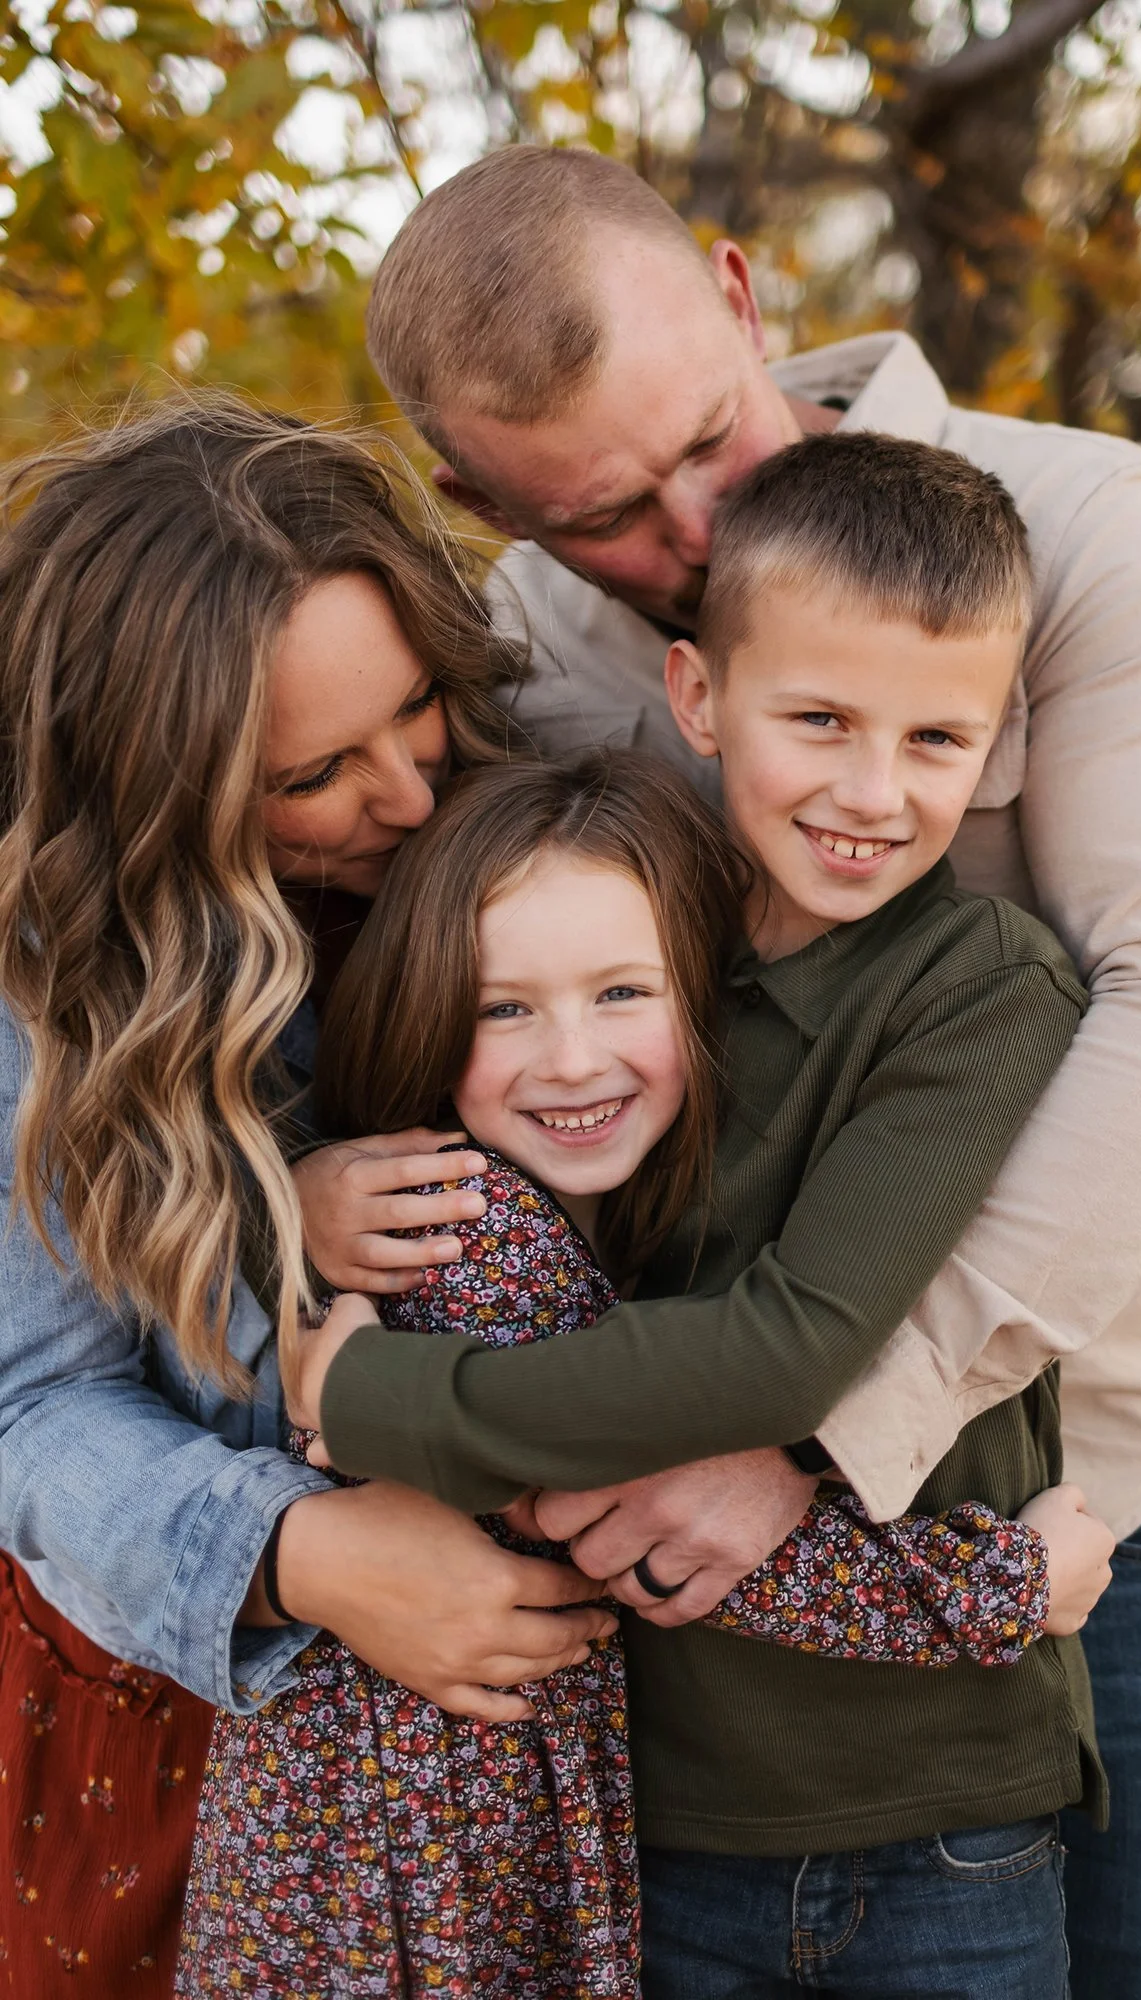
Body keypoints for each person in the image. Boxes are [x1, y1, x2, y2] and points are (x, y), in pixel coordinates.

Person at [353, 145, 1141, 1999]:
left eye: (713, 438)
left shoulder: (1092, 530)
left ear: (740, 298)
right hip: (688, 1584)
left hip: (1094, 1499)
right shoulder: (517, 666)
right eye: (613, 517)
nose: (704, 535)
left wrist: (821, 1427)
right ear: (481, 499)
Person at [291, 434, 1116, 1998]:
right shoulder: (626, 968)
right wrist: (308, 1199)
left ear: (1000, 746)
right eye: (818, 720)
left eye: (937, 738)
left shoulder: (979, 986)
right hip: (649, 1815)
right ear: (696, 703)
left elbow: (789, 1350)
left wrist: (375, 1402)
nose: (874, 793)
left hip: (933, 1813)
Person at [0, 398, 616, 1997]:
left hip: (553, 1726)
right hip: (182, 1715)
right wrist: (313, 1554)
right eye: (312, 778)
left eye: (413, 708)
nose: (406, 795)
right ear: (160, 796)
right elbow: (28, 1415)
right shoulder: (44, 983)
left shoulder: (523, 829)